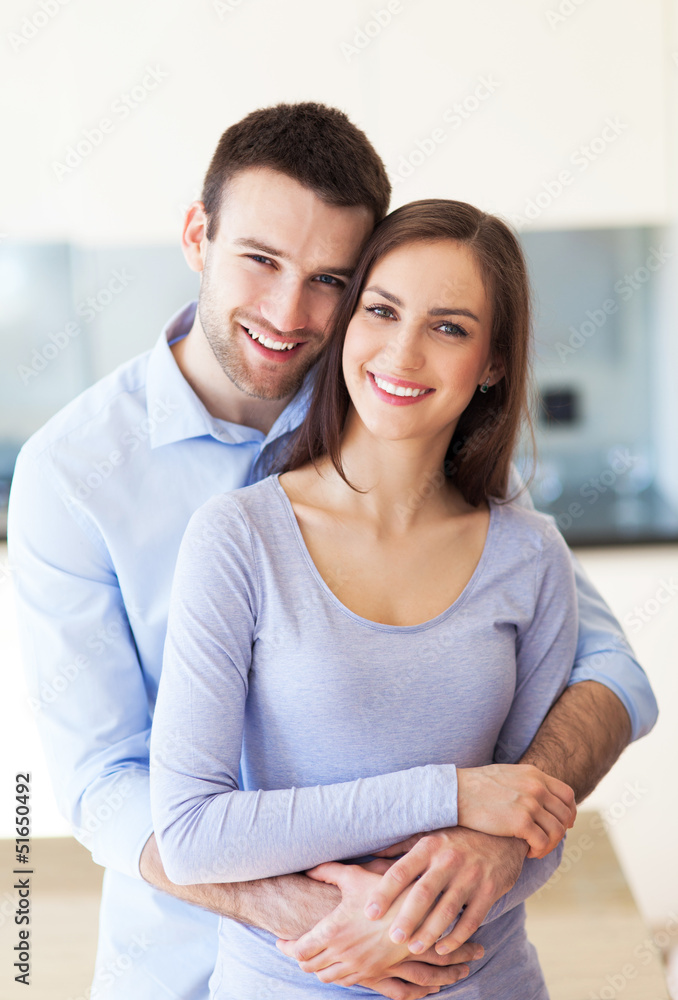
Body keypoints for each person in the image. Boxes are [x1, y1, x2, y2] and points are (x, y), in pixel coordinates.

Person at [8, 103, 657, 1000]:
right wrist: (311, 915)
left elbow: (607, 668)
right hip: (188, 959)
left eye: (330, 280)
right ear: (199, 235)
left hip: (447, 953)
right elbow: (102, 782)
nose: (288, 311)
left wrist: (494, 838)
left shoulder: (397, 400)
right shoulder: (74, 473)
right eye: (260, 261)